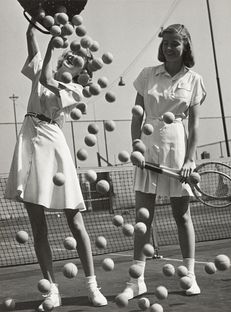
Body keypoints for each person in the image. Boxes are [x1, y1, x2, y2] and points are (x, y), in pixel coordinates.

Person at [5, 21, 107, 311]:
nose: (74, 54)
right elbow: (36, 56)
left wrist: (52, 46)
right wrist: (32, 29)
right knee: (38, 227)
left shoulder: (74, 89)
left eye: (80, 57)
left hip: (54, 145)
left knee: (75, 222)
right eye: (72, 51)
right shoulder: (44, 67)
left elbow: (48, 76)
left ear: (82, 72)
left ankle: (92, 286)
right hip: (28, 143)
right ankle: (52, 291)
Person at [122, 24, 206, 299]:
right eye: (166, 43)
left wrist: (190, 159)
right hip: (148, 147)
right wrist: (136, 145)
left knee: (182, 215)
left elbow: (194, 127)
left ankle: (189, 275)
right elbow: (137, 115)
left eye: (175, 44)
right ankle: (137, 280)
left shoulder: (194, 80)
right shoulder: (147, 75)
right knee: (142, 217)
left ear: (185, 48)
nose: (169, 48)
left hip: (178, 149)